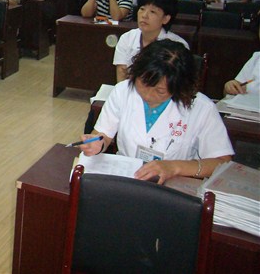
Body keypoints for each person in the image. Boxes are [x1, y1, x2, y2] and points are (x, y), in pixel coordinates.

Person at [79, 40, 234, 184]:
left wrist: (174, 167)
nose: (148, 95)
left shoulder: (202, 108)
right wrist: (97, 143)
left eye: (160, 91)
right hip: (127, 180)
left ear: (179, 87)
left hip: (174, 186)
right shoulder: (122, 91)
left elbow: (222, 162)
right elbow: (103, 135)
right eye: (143, 83)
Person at [113, 0, 188, 82]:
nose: (144, 15)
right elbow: (121, 78)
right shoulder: (127, 38)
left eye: (152, 12)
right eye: (142, 9)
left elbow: (176, 84)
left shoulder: (178, 46)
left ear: (166, 19)